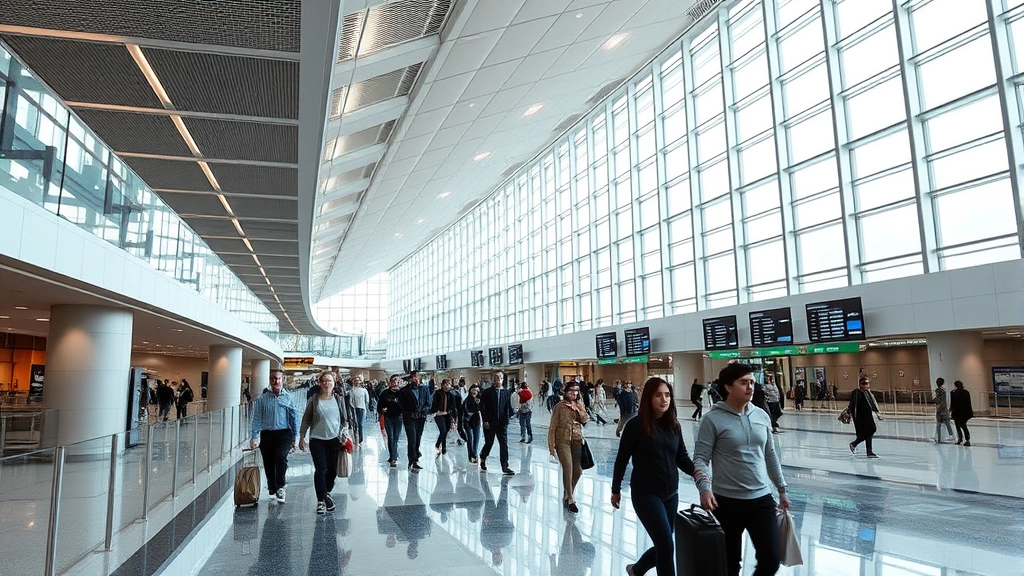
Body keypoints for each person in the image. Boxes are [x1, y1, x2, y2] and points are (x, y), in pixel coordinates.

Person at [694, 364, 790, 576]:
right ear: (728, 387)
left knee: (771, 559)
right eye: (744, 382)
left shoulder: (762, 415)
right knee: (730, 564)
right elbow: (701, 458)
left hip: (761, 499)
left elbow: (770, 454)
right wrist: (704, 489)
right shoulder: (712, 419)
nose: (750, 387)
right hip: (726, 502)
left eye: (752, 382)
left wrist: (781, 489)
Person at [611, 377, 701, 576]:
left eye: (667, 395)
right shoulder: (635, 426)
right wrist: (615, 490)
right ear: (648, 398)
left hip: (671, 494)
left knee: (664, 544)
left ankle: (637, 569)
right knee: (666, 545)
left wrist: (696, 472)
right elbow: (621, 460)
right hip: (646, 494)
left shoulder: (673, 425)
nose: (664, 399)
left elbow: (682, 456)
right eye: (658, 395)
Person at [298, 371, 349, 515]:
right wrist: (302, 437)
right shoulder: (314, 400)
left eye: (330, 381)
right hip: (317, 439)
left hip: (334, 440)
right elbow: (306, 419)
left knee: (332, 470)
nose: (327, 383)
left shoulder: (338, 399)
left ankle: (326, 493)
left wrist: (345, 434)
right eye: (324, 381)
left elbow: (345, 420)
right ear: (320, 383)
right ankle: (321, 500)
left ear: (334, 383)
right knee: (321, 469)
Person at [250, 369, 300, 503]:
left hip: (284, 434)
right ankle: (272, 487)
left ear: (283, 380)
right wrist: (254, 436)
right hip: (267, 435)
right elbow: (256, 419)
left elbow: (294, 417)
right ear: (270, 380)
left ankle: (281, 486)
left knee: (281, 457)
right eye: (273, 378)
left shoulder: (288, 398)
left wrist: (296, 436)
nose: (275, 381)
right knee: (268, 462)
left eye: (278, 378)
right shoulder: (262, 399)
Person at [549, 380, 588, 514]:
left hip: (577, 440)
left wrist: (578, 409)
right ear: (565, 392)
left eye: (576, 391)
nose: (574, 393)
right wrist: (551, 448)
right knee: (568, 468)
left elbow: (585, 420)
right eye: (571, 391)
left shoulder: (579, 405)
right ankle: (571, 499)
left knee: (578, 471)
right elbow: (552, 427)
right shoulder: (559, 406)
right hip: (562, 441)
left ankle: (567, 492)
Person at [479, 371, 515, 475]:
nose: (497, 380)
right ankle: (483, 457)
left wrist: (508, 418)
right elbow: (482, 407)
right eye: (495, 378)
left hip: (502, 423)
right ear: (492, 380)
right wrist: (485, 420)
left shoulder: (506, 392)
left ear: (503, 380)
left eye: (499, 378)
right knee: (489, 442)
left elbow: (508, 407)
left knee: (504, 444)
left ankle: (505, 465)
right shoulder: (487, 392)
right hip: (490, 422)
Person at [400, 371, 431, 472]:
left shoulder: (424, 389)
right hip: (409, 418)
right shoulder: (404, 391)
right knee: (412, 439)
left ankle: (415, 456)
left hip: (421, 418)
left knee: (418, 438)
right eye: (413, 378)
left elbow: (428, 403)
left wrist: (423, 411)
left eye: (417, 377)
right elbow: (401, 405)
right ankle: (412, 461)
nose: (415, 379)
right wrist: (409, 412)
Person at [846, 375, 883, 458]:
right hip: (860, 417)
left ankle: (869, 451)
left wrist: (877, 413)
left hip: (868, 415)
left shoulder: (868, 393)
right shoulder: (856, 392)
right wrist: (849, 412)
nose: (866, 385)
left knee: (869, 432)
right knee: (871, 430)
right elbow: (852, 404)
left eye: (867, 383)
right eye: (864, 383)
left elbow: (873, 403)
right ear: (860, 384)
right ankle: (854, 444)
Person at [377, 375, 404, 468]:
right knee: (391, 437)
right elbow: (379, 405)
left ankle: (393, 455)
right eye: (392, 381)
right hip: (388, 417)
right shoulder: (385, 393)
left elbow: (406, 404)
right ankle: (393, 457)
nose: (394, 382)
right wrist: (382, 409)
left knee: (396, 437)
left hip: (398, 418)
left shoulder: (401, 393)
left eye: (396, 381)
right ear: (390, 382)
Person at [431, 379, 458, 457]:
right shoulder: (437, 393)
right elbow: (434, 404)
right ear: (442, 385)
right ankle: (438, 444)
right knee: (443, 430)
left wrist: (453, 421)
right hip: (439, 414)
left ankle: (444, 448)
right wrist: (434, 411)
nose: (446, 386)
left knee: (446, 431)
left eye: (448, 384)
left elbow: (453, 408)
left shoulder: (452, 395)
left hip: (448, 415)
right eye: (445, 384)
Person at [463, 384, 484, 464]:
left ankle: (475, 455)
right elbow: (464, 410)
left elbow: (482, 409)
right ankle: (471, 455)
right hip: (468, 421)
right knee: (470, 438)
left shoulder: (480, 400)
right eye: (473, 390)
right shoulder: (466, 400)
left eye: (476, 390)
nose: (474, 392)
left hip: (477, 421)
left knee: (477, 439)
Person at [950, 380, 973, 446]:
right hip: (965, 412)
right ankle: (967, 439)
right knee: (963, 425)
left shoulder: (953, 393)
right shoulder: (966, 392)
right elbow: (968, 403)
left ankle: (960, 439)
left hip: (957, 412)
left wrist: (951, 410)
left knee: (958, 426)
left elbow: (952, 403)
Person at [349, 375, 370, 446]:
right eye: (355, 381)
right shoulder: (352, 391)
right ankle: (356, 438)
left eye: (358, 381)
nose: (357, 382)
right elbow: (350, 401)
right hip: (355, 408)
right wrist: (353, 408)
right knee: (356, 424)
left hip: (362, 408)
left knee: (360, 424)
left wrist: (366, 408)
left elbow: (367, 400)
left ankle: (361, 439)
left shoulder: (364, 390)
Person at [934, 378, 954, 444]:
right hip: (942, 409)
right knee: (943, 423)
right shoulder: (940, 390)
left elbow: (942, 401)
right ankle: (942, 436)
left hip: (942, 409)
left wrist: (939, 408)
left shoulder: (941, 391)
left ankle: (939, 437)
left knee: (940, 423)